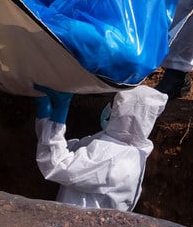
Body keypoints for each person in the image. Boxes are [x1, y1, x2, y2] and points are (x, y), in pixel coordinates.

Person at [33, 85, 168, 211]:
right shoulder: (126, 146)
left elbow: (57, 164)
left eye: (115, 104)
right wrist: (46, 120)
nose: (110, 107)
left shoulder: (115, 160)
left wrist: (59, 112)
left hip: (79, 225)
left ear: (124, 111)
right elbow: (66, 149)